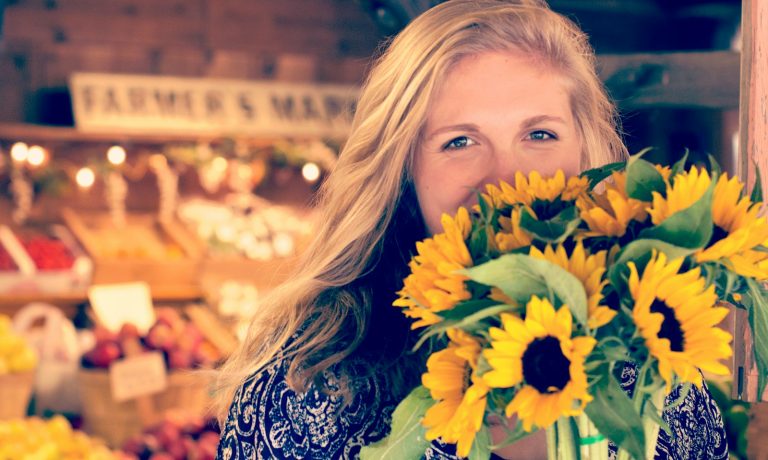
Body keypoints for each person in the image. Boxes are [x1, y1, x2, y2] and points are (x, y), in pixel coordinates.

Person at [215, 1, 728, 459]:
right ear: (403, 169)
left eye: (540, 133)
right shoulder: (310, 388)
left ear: (586, 153)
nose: (508, 179)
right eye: (459, 142)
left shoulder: (657, 365)